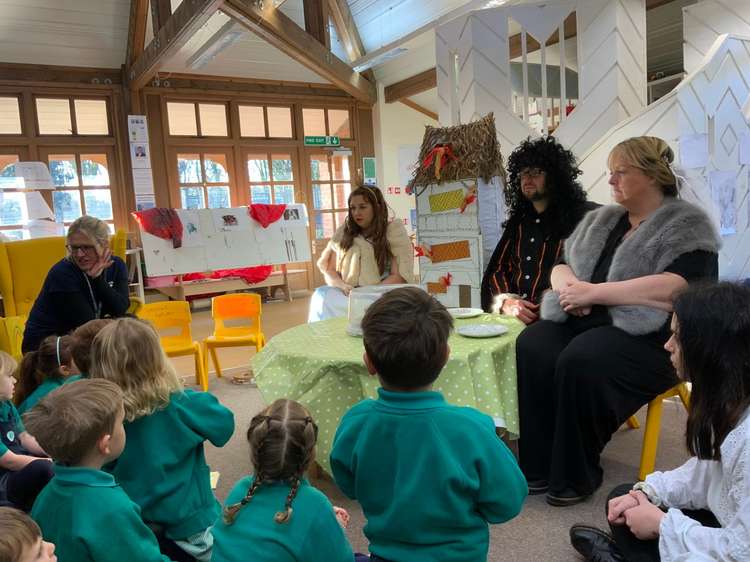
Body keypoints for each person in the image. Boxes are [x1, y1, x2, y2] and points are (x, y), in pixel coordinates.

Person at [516, 136, 721, 507]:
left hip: (656, 340)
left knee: (583, 356)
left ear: (652, 176)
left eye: (620, 172)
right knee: (534, 343)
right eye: (610, 173)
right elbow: (560, 264)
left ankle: (576, 473)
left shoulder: (686, 226)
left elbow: (676, 289)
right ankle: (539, 464)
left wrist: (593, 294)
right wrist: (569, 288)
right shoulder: (603, 220)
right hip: (588, 321)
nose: (611, 181)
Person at [330, 287, 527, 562]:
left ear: (369, 362)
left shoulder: (356, 422)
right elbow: (507, 503)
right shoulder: (473, 428)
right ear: (446, 355)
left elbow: (348, 484)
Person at [569, 282, 750, 562]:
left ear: (712, 351)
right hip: (731, 523)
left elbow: (742, 551)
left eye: (678, 337)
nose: (668, 345)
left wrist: (662, 525)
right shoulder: (729, 402)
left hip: (741, 547)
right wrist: (648, 492)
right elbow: (705, 476)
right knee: (624, 499)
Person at [90, 317, 234, 562]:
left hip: (137, 525)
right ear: (159, 361)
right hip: (191, 524)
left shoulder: (102, 419)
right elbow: (225, 427)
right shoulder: (184, 404)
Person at [26, 379, 171, 561]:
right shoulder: (111, 508)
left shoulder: (47, 494)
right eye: (121, 422)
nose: (123, 427)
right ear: (105, 443)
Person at [211, 399, 355, 562]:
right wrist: (334, 527)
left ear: (255, 450)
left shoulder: (241, 489)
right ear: (312, 452)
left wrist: (323, 518)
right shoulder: (316, 504)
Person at [481, 136, 597, 323]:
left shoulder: (582, 218)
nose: (527, 179)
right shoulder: (518, 222)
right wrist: (506, 302)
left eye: (536, 173)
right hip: (512, 318)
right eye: (523, 173)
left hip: (559, 321)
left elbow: (587, 273)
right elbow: (498, 269)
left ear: (554, 177)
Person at [22, 215, 129, 353]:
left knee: (133, 324)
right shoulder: (62, 273)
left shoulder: (116, 265)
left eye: (86, 247)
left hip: (80, 340)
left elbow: (120, 308)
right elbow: (87, 324)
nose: (79, 254)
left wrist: (98, 279)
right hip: (47, 348)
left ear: (104, 245)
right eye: (74, 248)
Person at [308, 186, 414, 322]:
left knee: (385, 307)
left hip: (380, 294)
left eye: (362, 207)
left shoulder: (392, 231)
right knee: (321, 295)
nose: (357, 212)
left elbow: (399, 276)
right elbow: (330, 270)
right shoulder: (344, 233)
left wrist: (367, 292)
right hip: (350, 294)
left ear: (377, 207)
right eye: (353, 208)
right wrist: (343, 286)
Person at [0, 351, 53, 512]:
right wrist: (47, 463)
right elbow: (10, 461)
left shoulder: (6, 405)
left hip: (20, 465)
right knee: (46, 469)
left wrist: (52, 452)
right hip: (5, 479)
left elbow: (24, 437)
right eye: (9, 376)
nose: (14, 380)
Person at [15, 335, 80, 415]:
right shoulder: (57, 396)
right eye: (79, 358)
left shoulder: (54, 384)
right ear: (64, 369)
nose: (84, 359)